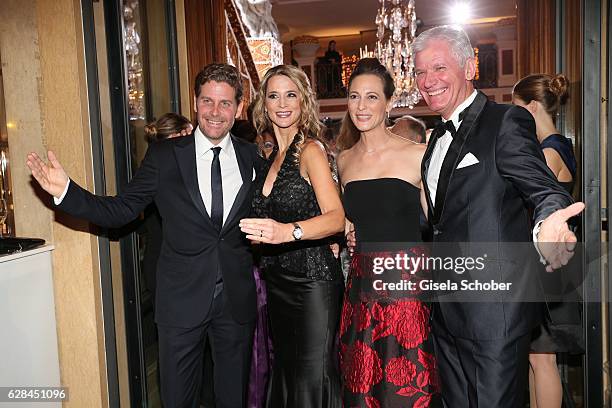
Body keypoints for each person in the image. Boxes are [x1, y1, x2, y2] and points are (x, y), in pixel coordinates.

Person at [26, 63, 262, 408]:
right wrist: (67, 192)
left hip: (235, 303)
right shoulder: (165, 157)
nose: (215, 111)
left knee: (232, 400)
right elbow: (122, 209)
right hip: (181, 303)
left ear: (238, 107)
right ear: (195, 103)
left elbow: (268, 213)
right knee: (177, 400)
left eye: (225, 103)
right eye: (207, 101)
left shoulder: (250, 155)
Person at [411, 25, 583, 407]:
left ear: (469, 67)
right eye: (420, 72)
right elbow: (440, 222)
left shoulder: (505, 121)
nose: (428, 81)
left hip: (495, 313)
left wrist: (547, 225)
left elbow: (545, 189)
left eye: (439, 68)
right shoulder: (433, 141)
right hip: (445, 310)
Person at [240, 64, 345, 407]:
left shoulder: (310, 150)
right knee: (286, 372)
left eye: (291, 95)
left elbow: (336, 218)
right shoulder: (271, 156)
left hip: (312, 282)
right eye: (274, 95)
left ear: (303, 102)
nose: (282, 103)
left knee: (311, 378)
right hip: (278, 281)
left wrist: (287, 231)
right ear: (263, 104)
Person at [336, 58, 439, 407]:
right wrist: (348, 231)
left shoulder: (419, 155)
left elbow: (440, 225)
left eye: (371, 97)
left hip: (407, 290)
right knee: (362, 389)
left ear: (389, 102)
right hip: (361, 289)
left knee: (407, 390)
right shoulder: (343, 160)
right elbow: (349, 219)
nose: (361, 106)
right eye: (354, 96)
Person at [513, 73, 583, 408]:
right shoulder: (558, 145)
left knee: (542, 358)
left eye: (517, 109)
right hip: (543, 265)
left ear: (533, 106)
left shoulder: (549, 151)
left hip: (548, 266)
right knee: (534, 355)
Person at [141, 113, 193, 303]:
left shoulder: (157, 167)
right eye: (191, 134)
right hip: (166, 266)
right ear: (179, 135)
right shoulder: (160, 173)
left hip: (165, 263)